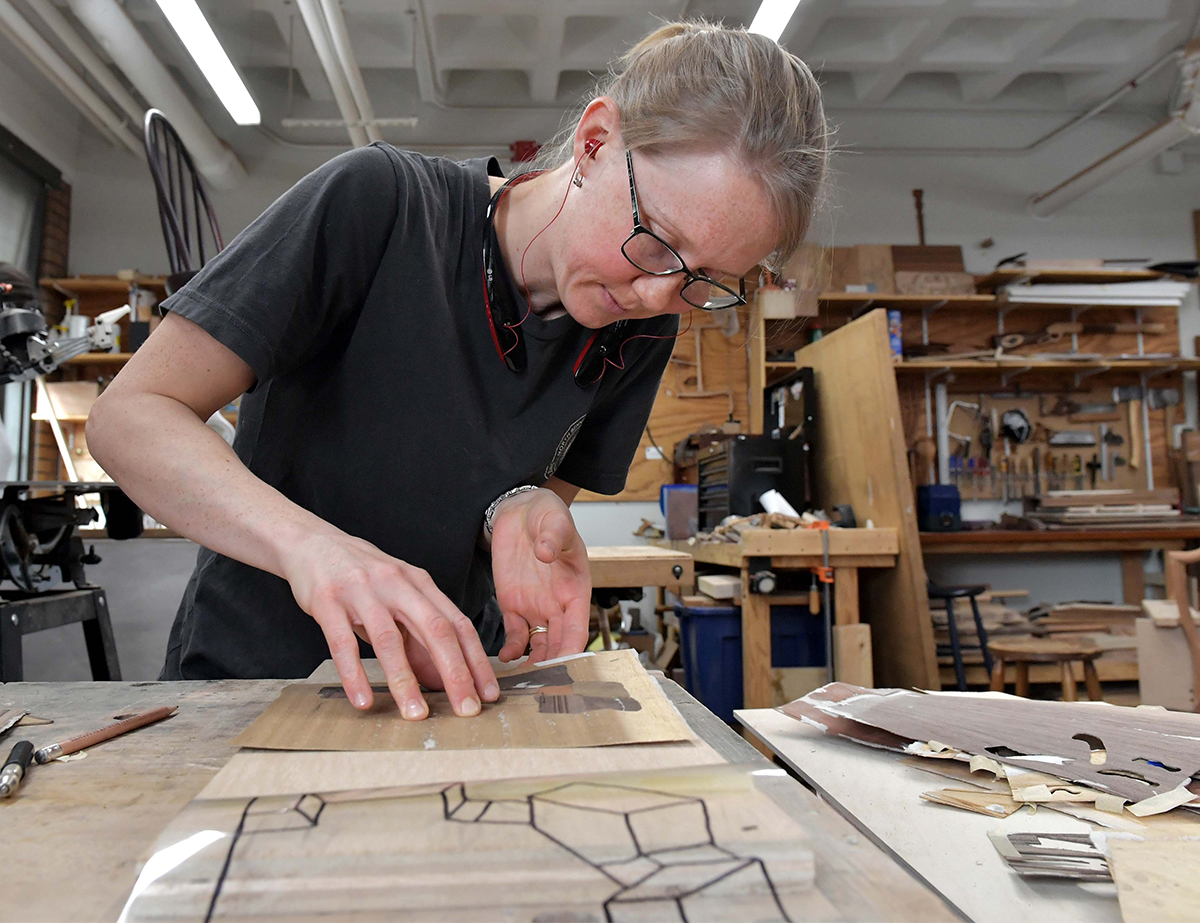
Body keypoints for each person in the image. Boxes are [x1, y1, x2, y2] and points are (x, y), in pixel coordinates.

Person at [86, 20, 828, 720]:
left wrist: (519, 511)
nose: (661, 291)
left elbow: (529, 498)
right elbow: (131, 417)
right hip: (255, 681)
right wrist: (315, 550)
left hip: (451, 693)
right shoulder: (380, 206)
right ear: (597, 142)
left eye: (707, 278)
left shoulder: (640, 323)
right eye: (656, 239)